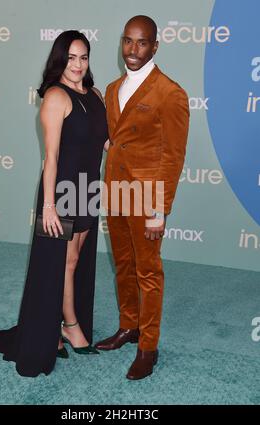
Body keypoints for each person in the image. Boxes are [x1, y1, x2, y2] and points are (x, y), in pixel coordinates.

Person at [0, 30, 109, 377]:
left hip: (89, 188)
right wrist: (48, 206)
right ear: (60, 59)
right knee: (64, 264)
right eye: (71, 58)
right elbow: (52, 157)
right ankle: (68, 325)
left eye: (84, 57)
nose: (78, 65)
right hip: (62, 192)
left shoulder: (95, 94)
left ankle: (60, 327)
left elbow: (103, 144)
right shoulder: (55, 97)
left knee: (75, 260)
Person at [95, 16, 190, 380]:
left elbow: (173, 157)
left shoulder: (170, 93)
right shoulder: (111, 87)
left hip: (146, 198)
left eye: (142, 43)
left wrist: (159, 209)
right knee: (122, 263)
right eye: (127, 42)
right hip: (116, 191)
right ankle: (128, 326)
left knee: (148, 272)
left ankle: (148, 346)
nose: (133, 51)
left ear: (155, 46)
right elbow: (115, 138)